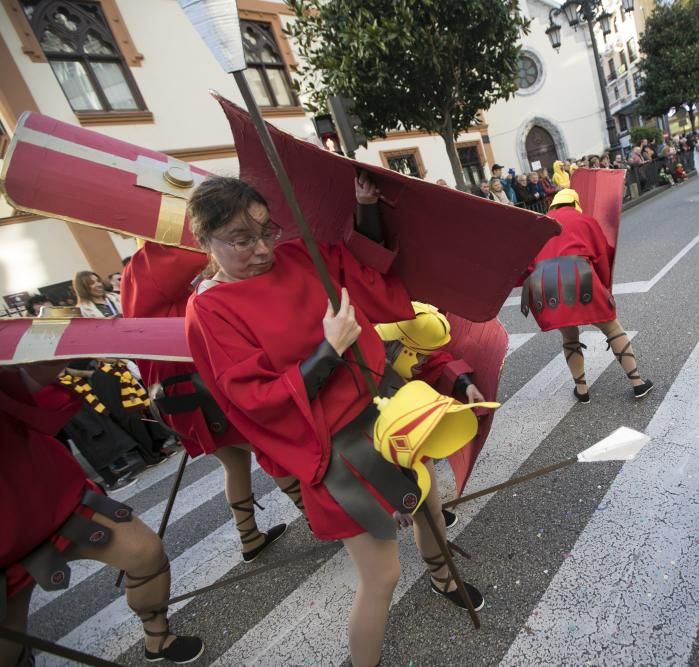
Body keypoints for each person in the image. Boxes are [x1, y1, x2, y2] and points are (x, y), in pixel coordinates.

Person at [183, 176, 485, 667]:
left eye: (266, 231)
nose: (261, 249)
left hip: (380, 413)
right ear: (206, 241)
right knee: (381, 575)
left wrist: (365, 209)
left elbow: (359, 270)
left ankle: (441, 575)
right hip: (331, 443)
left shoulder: (298, 255)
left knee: (428, 501)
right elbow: (254, 396)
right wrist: (329, 350)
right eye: (241, 240)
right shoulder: (208, 309)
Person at [0, 364, 205, 665]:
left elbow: (30, 389)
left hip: (48, 492)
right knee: (10, 644)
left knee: (144, 552)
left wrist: (49, 359)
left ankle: (157, 636)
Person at [121, 241, 297, 563]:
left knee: (234, 461)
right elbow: (208, 243)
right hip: (196, 387)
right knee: (270, 447)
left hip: (177, 391)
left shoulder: (135, 275)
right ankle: (317, 516)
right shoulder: (151, 260)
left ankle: (248, 536)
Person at [520, 189, 652, 403]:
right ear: (574, 202)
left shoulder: (538, 224)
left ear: (552, 205)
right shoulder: (584, 220)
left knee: (569, 336)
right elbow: (601, 257)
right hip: (578, 273)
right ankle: (637, 383)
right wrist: (606, 290)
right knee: (612, 328)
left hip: (545, 279)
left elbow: (526, 264)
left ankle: (582, 390)